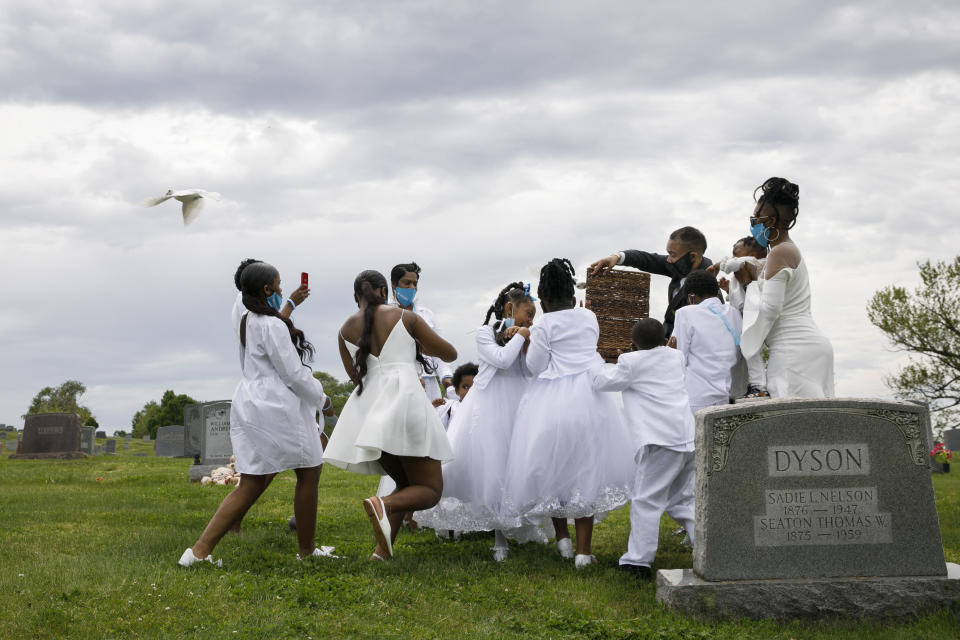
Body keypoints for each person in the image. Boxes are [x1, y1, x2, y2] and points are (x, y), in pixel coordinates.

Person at [180, 262, 335, 567]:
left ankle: (198, 553)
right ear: (266, 290)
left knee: (254, 481)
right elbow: (292, 374)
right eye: (278, 285)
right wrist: (323, 399)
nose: (281, 289)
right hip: (276, 405)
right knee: (309, 470)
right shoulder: (272, 325)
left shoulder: (247, 320)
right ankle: (306, 551)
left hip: (251, 400)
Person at [501, 260, 634, 569]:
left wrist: (529, 337)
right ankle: (583, 553)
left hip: (552, 400)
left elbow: (535, 366)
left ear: (543, 302)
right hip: (591, 397)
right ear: (573, 295)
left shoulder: (544, 324)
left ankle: (562, 540)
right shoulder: (589, 316)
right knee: (585, 468)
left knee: (554, 468)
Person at [323, 270, 457, 560]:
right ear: (385, 291)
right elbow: (449, 354)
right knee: (431, 490)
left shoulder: (344, 330)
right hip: (404, 401)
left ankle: (381, 553)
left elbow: (354, 376)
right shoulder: (406, 318)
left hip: (367, 413)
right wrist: (419, 343)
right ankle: (383, 504)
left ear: (356, 297)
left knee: (406, 484)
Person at [417, 282, 544, 561]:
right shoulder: (486, 333)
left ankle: (525, 524)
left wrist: (528, 339)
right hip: (490, 408)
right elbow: (500, 359)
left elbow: (534, 368)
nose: (531, 320)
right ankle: (499, 537)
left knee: (521, 464)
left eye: (534, 316)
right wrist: (520, 336)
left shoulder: (528, 333)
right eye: (528, 314)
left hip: (521, 404)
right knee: (493, 466)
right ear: (510, 309)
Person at [593, 318, 696, 579]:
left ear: (633, 343)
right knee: (683, 499)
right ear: (664, 340)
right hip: (686, 437)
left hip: (660, 440)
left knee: (646, 500)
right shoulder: (676, 357)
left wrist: (600, 360)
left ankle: (638, 561)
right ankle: (709, 547)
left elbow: (602, 383)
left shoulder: (630, 362)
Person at [739, 177, 835, 398]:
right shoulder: (787, 250)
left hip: (793, 348)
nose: (753, 222)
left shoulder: (780, 252)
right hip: (806, 346)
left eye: (756, 218)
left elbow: (771, 308)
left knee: (794, 422)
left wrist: (749, 287)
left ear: (770, 221)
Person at [588, 226, 714, 337]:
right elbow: (646, 259)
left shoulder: (708, 289)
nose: (668, 260)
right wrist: (617, 257)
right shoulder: (679, 266)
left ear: (692, 256)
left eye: (673, 255)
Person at [671, 271, 742, 415]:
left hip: (695, 396)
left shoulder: (686, 313)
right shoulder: (733, 313)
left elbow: (678, 356)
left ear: (691, 297)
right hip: (725, 395)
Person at [709, 237, 768, 398]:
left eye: (736, 253)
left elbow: (730, 265)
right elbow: (740, 296)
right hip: (741, 315)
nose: (733, 256)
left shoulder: (752, 261)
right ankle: (737, 393)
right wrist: (729, 291)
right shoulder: (746, 265)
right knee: (739, 355)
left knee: (750, 350)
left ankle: (759, 385)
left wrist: (717, 264)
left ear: (753, 253)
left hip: (749, 315)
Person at [391, 262, 454, 401]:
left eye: (415, 283)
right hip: (399, 384)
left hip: (430, 382)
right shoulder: (385, 314)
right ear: (394, 285)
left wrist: (447, 379)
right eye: (407, 283)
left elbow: (439, 351)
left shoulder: (427, 315)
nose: (412, 288)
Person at [434, 362, 478, 430]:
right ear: (457, 390)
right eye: (465, 387)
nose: (470, 391)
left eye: (474, 387)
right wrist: (433, 408)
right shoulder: (448, 408)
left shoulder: (486, 409)